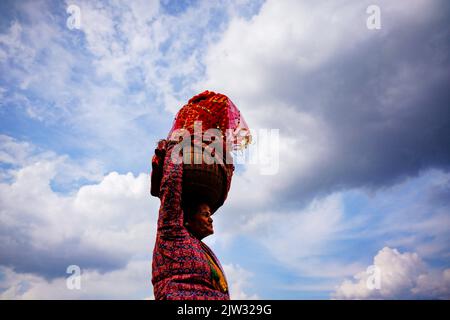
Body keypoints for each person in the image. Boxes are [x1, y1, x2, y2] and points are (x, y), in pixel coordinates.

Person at [151, 143, 230, 300]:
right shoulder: (172, 233)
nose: (211, 218)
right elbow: (171, 188)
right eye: (205, 214)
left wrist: (227, 168)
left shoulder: (203, 249)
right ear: (187, 219)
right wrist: (175, 150)